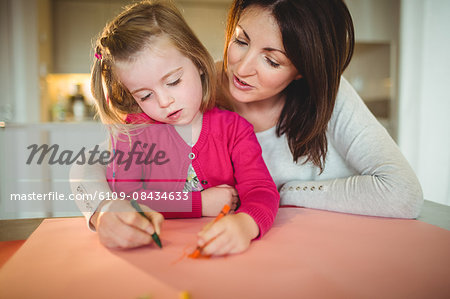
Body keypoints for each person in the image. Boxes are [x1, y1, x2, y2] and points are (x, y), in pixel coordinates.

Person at [71, 0, 423, 248]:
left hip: (340, 246)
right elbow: (93, 165)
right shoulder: (185, 88)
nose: (241, 68)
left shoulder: (330, 95)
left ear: (303, 69)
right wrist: (104, 210)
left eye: (271, 60)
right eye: (240, 40)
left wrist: (285, 193)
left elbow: (403, 194)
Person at [72, 0, 279, 255]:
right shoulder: (133, 135)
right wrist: (198, 204)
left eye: (173, 81)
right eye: (145, 95)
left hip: (222, 251)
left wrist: (246, 225)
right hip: (154, 252)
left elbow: (260, 189)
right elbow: (126, 197)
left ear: (199, 64)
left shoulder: (235, 129)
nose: (164, 101)